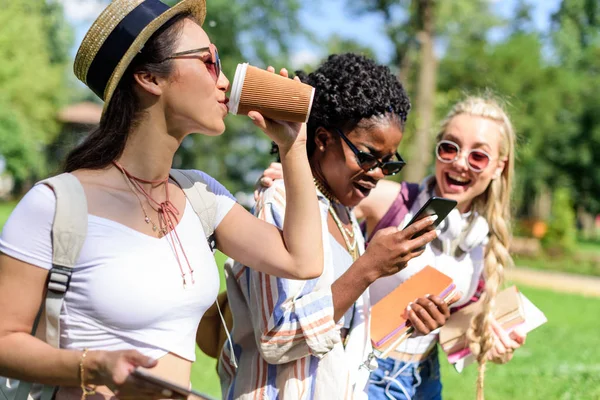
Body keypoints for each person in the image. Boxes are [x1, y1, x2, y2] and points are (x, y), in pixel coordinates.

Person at [0, 0, 325, 398]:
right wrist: (93, 366)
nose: (224, 81)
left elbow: (302, 260)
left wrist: (294, 145)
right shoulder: (53, 205)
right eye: (209, 62)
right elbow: (4, 340)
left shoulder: (201, 194)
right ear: (148, 77)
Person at [257, 95, 526, 399]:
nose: (460, 163)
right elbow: (325, 185)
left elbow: (452, 333)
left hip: (424, 378)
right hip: (369, 371)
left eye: (478, 156)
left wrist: (490, 342)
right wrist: (296, 176)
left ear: (499, 167)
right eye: (449, 148)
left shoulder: (484, 237)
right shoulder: (392, 200)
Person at [219, 53, 450, 400]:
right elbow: (277, 337)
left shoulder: (344, 215)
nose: (376, 173)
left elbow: (339, 332)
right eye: (367, 156)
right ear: (323, 138)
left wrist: (406, 320)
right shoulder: (280, 202)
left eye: (388, 164)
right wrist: (368, 268)